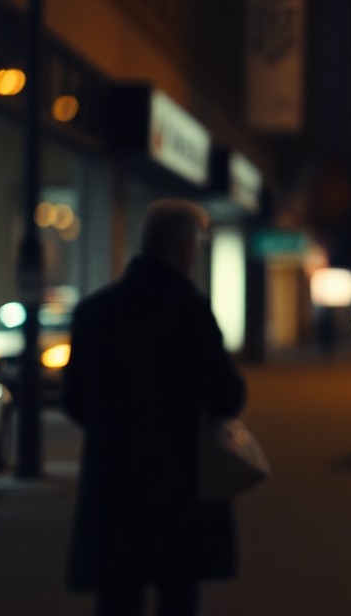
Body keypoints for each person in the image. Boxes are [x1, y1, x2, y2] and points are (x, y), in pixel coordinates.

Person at [64, 199, 246, 616]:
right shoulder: (192, 312)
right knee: (177, 596)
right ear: (183, 248)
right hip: (179, 488)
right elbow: (227, 397)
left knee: (117, 599)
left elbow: (75, 401)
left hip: (113, 485)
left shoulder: (95, 312)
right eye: (196, 245)